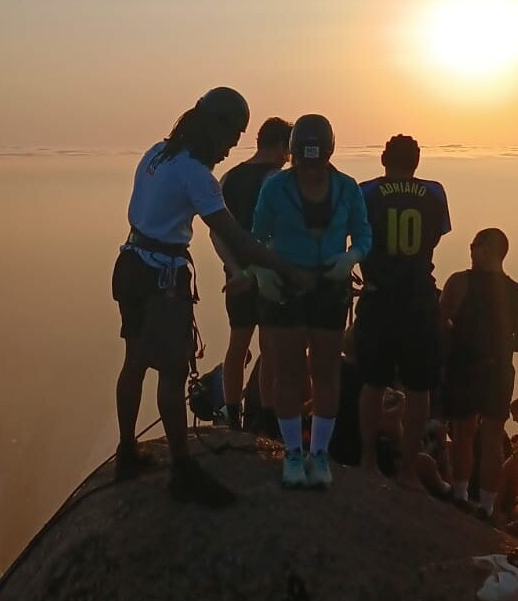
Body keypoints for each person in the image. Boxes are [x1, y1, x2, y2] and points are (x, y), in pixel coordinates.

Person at [111, 88, 314, 508]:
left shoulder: (156, 153)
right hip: (160, 276)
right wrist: (286, 269)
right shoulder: (195, 175)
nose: (230, 147)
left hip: (130, 263)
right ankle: (183, 471)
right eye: (230, 135)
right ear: (213, 126)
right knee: (170, 371)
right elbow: (232, 233)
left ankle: (127, 450)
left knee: (134, 362)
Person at [251, 114, 372, 488]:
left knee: (325, 372)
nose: (310, 169)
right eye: (304, 161)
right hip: (288, 287)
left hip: (329, 287)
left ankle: (319, 455)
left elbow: (364, 237)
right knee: (288, 371)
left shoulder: (348, 189)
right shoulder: (274, 189)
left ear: (329, 154)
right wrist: (263, 272)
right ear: (293, 156)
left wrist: (350, 258)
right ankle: (292, 453)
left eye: (316, 161)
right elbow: (257, 236)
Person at [354, 134, 451, 491]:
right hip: (419, 297)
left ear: (383, 158)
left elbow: (357, 235)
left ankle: (367, 460)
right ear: (417, 161)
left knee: (373, 381)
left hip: (379, 296)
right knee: (419, 387)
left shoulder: (366, 192)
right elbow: (436, 235)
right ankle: (409, 470)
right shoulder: (435, 192)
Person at [439, 228, 518, 520]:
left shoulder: (460, 281)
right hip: (500, 370)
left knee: (463, 432)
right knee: (493, 436)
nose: (470, 251)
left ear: (488, 249)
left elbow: (440, 320)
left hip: (465, 366)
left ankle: (459, 493)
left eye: (474, 245)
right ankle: (488, 505)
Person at [210, 117, 293, 432]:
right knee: (270, 348)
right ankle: (266, 418)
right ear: (279, 146)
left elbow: (216, 232)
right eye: (288, 150)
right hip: (271, 277)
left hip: (237, 276)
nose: (289, 158)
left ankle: (234, 417)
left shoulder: (228, 178)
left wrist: (235, 270)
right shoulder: (278, 182)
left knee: (237, 345)